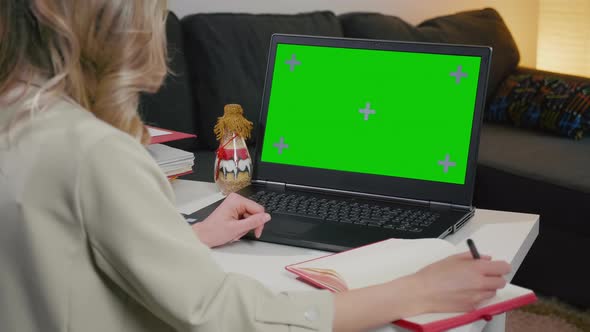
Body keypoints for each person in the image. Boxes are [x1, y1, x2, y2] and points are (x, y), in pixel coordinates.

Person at [0, 1, 511, 331]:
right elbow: (223, 316)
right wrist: (417, 289)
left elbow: (59, 245)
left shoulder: (19, 117)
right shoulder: (95, 153)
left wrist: (187, 240)